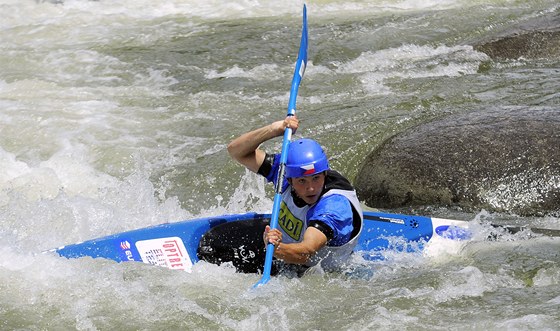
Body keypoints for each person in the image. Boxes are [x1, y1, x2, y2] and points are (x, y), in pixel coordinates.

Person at [227, 115, 363, 274]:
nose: (311, 188)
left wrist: (276, 249)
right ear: (289, 179)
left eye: (316, 178)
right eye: (302, 181)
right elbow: (236, 151)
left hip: (314, 273)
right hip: (282, 252)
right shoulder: (284, 172)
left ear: (325, 173)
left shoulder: (334, 207)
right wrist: (273, 129)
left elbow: (305, 252)